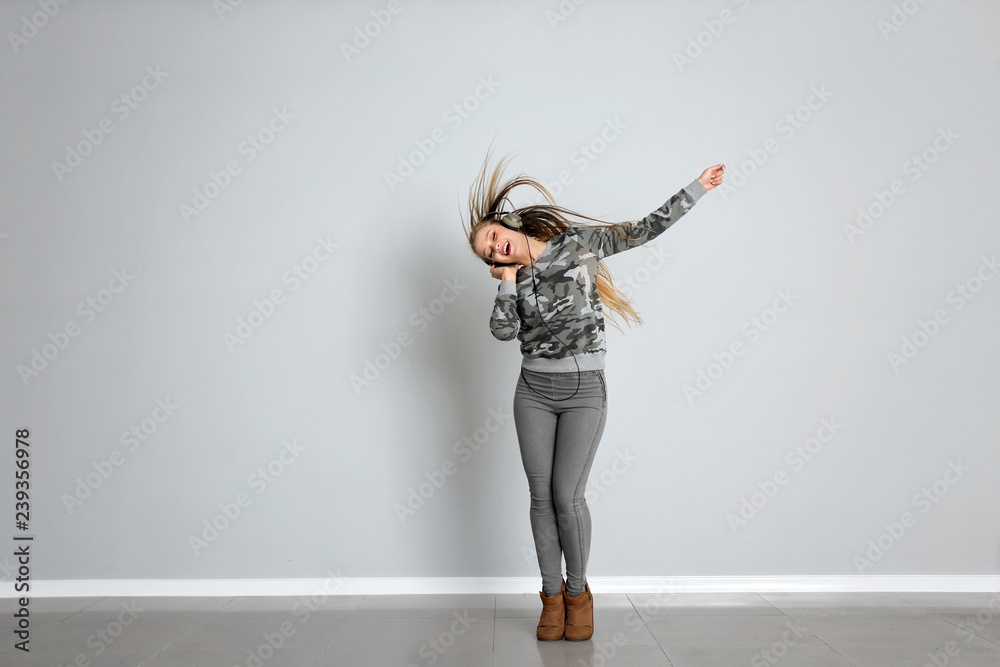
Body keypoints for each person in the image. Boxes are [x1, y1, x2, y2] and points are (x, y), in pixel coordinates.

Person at [462, 147, 724, 641]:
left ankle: (578, 595)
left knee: (567, 496)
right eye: (488, 254)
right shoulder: (512, 280)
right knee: (541, 497)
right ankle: (551, 598)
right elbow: (502, 332)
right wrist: (507, 282)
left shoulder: (577, 243)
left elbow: (644, 229)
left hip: (584, 389)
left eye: (493, 237)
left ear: (508, 224)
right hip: (532, 391)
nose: (495, 249)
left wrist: (698, 187)